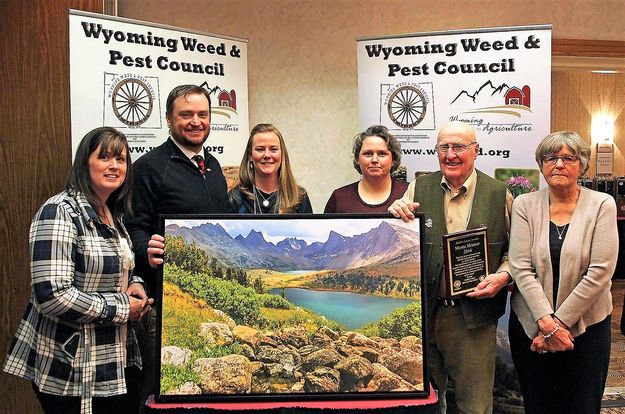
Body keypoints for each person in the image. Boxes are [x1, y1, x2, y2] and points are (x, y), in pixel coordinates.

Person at [3, 127, 152, 414]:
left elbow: (122, 264)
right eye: (105, 157)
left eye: (121, 160)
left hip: (110, 359)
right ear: (85, 162)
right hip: (70, 365)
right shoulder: (60, 211)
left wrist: (136, 284)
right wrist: (123, 307)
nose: (114, 166)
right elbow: (52, 295)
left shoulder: (111, 212)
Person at [388, 121, 513, 414]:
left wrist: (503, 275)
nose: (451, 154)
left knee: (474, 405)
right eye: (444, 147)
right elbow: (400, 234)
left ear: (476, 151)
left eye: (459, 146)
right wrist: (395, 211)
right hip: (425, 314)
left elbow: (516, 252)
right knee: (427, 402)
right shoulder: (419, 187)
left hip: (473, 319)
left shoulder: (500, 194)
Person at [124, 85, 230, 406]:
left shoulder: (212, 167)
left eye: (202, 114)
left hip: (211, 299)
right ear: (169, 119)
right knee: (162, 392)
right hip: (163, 306)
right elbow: (132, 226)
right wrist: (147, 249)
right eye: (186, 115)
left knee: (208, 388)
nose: (195, 121)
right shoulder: (148, 167)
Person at [508, 131, 617, 414]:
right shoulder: (524, 205)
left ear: (581, 164)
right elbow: (521, 267)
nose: (558, 164)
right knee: (538, 404)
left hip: (587, 329)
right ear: (541, 164)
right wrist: (546, 323)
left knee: (582, 405)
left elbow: (600, 272)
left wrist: (559, 325)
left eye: (568, 158)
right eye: (550, 157)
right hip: (531, 327)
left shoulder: (602, 205)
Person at [228, 123, 312, 214]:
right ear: (250, 155)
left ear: (282, 155)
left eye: (273, 149)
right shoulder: (236, 198)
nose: (267, 155)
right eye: (260, 149)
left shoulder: (299, 197)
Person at [324, 125, 408, 213]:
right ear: (357, 159)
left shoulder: (409, 193)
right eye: (368, 154)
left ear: (393, 159)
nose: (374, 160)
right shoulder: (339, 198)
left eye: (382, 154)